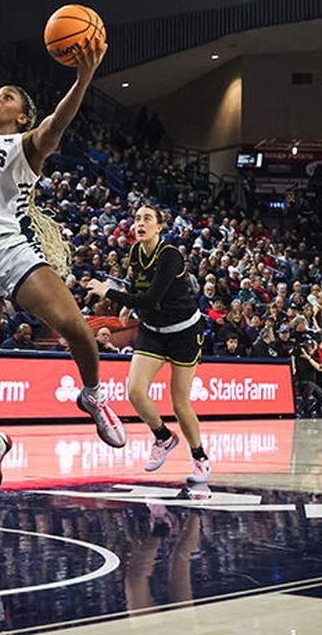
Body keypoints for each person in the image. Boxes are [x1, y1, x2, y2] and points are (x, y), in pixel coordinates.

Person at [0, 35, 125, 499]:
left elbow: (56, 124)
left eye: (8, 96)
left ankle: (92, 393)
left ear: (22, 115)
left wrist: (84, 78)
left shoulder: (26, 144)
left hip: (11, 250)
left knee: (77, 327)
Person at [85, 203, 211, 482]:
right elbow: (140, 286)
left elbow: (152, 299)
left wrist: (112, 294)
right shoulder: (134, 252)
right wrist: (128, 302)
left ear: (159, 227)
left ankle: (200, 458)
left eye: (147, 219)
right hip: (153, 330)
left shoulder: (170, 256)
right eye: (137, 219)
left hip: (184, 332)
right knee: (135, 391)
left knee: (180, 404)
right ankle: (163, 437)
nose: (140, 223)